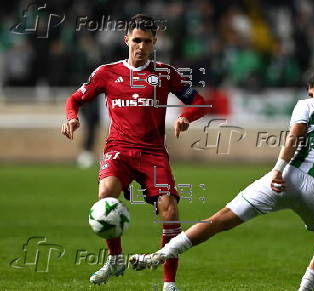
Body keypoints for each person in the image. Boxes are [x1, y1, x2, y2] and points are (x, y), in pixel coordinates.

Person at [129, 67, 314, 290]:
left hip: (284, 178)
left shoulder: (308, 105)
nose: (311, 95)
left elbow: (294, 137)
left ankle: (160, 255)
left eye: (312, 91)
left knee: (218, 220)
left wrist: (277, 170)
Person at [61, 14, 209, 290]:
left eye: (147, 41)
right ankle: (115, 258)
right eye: (137, 40)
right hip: (118, 150)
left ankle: (169, 283)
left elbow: (199, 102)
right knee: (105, 193)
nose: (141, 46)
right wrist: (72, 116)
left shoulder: (165, 74)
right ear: (126, 39)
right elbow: (75, 98)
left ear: (155, 43)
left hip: (153, 154)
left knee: (170, 211)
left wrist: (186, 117)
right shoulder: (106, 73)